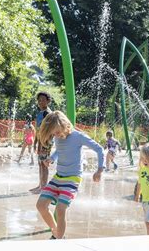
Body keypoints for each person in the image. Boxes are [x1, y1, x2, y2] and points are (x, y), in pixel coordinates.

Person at [36, 111, 104, 239]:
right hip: (58, 177)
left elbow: (99, 149)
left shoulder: (78, 136)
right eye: (53, 133)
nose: (56, 135)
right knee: (40, 205)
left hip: (72, 179)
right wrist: (52, 158)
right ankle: (55, 231)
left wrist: (100, 170)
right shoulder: (58, 137)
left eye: (57, 132)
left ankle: (58, 240)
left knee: (61, 209)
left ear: (65, 125)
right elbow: (59, 150)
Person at [30, 92, 52, 193]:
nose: (40, 102)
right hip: (40, 140)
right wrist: (35, 142)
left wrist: (43, 143)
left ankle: (44, 187)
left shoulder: (47, 113)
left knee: (44, 163)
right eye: (39, 100)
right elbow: (38, 129)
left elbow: (48, 130)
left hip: (46, 141)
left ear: (48, 101)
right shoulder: (40, 112)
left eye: (43, 100)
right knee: (40, 163)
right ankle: (40, 185)